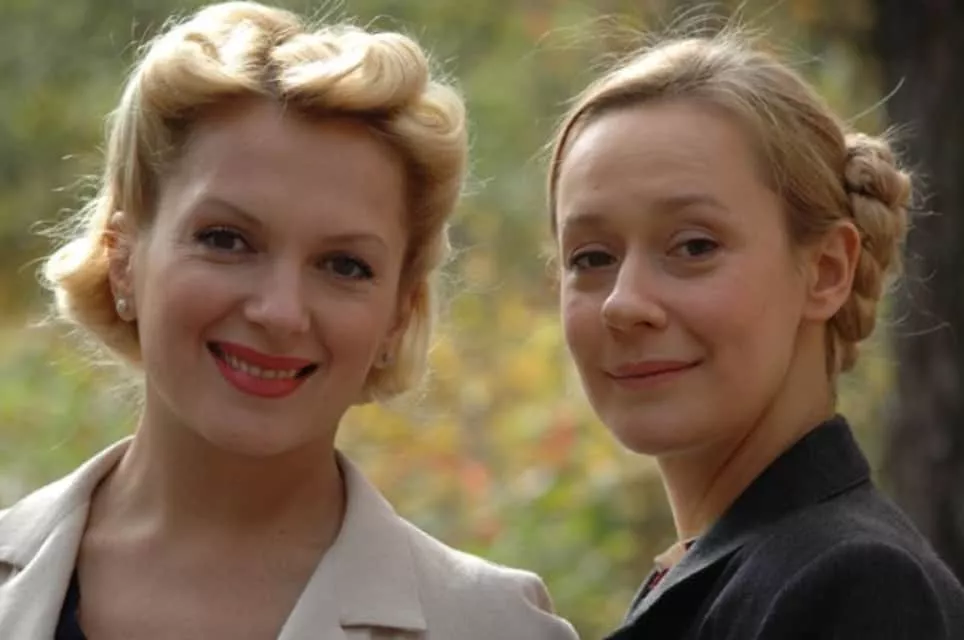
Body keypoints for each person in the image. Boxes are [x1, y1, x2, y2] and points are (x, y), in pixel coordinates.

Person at [0, 3, 578, 639]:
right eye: (226, 240)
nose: (279, 312)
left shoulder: (496, 626)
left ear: (398, 313)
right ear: (123, 260)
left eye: (344, 265)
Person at [547, 27, 964, 640]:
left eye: (694, 246)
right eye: (591, 257)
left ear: (827, 270)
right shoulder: (729, 574)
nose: (624, 303)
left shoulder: (855, 584)